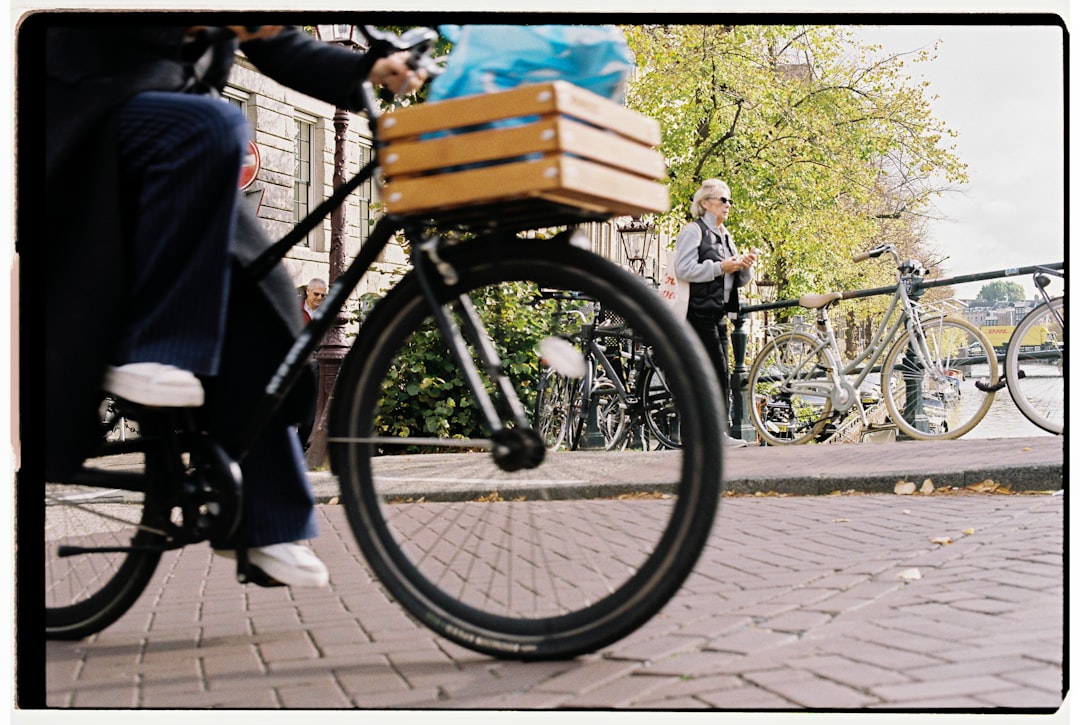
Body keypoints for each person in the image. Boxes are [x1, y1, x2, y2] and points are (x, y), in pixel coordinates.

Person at [45, 25, 424, 587]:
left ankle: (265, 521)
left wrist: (367, 70)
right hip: (86, 116)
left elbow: (274, 41)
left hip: (185, 150)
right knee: (217, 121)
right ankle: (159, 349)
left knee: (267, 308)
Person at [673, 178, 758, 448]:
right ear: (705, 202)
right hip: (696, 313)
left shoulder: (726, 235)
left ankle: (703, 435)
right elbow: (683, 269)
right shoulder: (693, 231)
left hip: (718, 312)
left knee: (717, 372)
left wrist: (744, 266)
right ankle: (711, 436)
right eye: (723, 199)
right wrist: (720, 267)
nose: (728, 205)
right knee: (715, 372)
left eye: (730, 200)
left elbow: (737, 279)